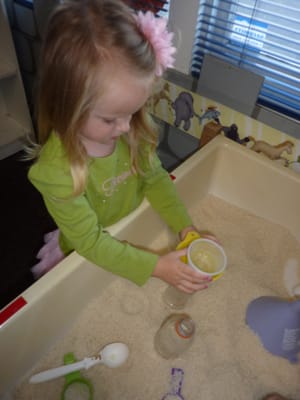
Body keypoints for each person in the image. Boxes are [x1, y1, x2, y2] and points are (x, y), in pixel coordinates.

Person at [28, 0, 216, 293]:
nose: (127, 127)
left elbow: (155, 179)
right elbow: (91, 242)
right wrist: (157, 266)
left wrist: (185, 227)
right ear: (67, 105)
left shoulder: (132, 129)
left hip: (129, 225)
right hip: (86, 250)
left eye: (133, 112)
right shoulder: (56, 171)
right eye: (110, 119)